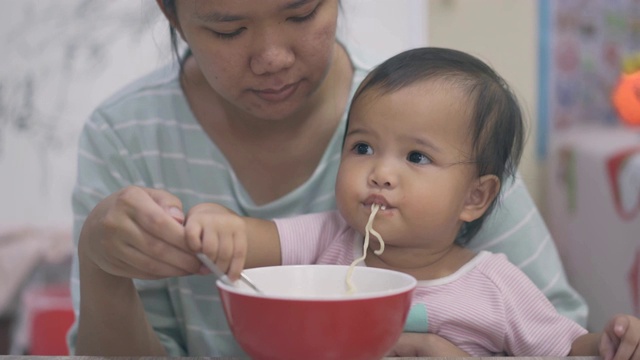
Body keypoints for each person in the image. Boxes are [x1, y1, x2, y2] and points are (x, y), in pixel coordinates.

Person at [68, 0, 586, 357]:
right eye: (228, 28)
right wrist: (103, 263)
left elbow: (562, 335)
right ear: (172, 14)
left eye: (301, 12)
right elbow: (253, 239)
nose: (273, 58)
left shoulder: (436, 118)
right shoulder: (124, 134)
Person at [184, 47, 640, 358]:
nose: (380, 172)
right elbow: (251, 241)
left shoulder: (496, 285)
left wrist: (609, 344)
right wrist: (216, 223)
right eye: (362, 147)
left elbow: (565, 348)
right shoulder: (330, 239)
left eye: (416, 156)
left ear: (474, 197)